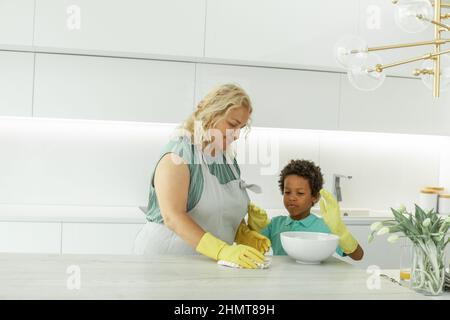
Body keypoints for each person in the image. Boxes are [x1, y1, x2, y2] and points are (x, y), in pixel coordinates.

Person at [133, 83, 271, 269]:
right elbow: (173, 217)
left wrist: (243, 233)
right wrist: (222, 250)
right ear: (209, 113)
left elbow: (218, 213)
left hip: (204, 266)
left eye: (241, 127)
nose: (237, 135)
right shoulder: (178, 155)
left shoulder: (228, 161)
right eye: (232, 125)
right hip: (163, 264)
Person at [250, 159, 364, 260]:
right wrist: (255, 226)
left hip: (315, 281)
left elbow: (358, 256)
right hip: (282, 281)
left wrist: (341, 231)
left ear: (315, 197)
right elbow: (253, 248)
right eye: (287, 192)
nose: (292, 198)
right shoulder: (274, 224)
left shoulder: (325, 227)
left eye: (300, 193)